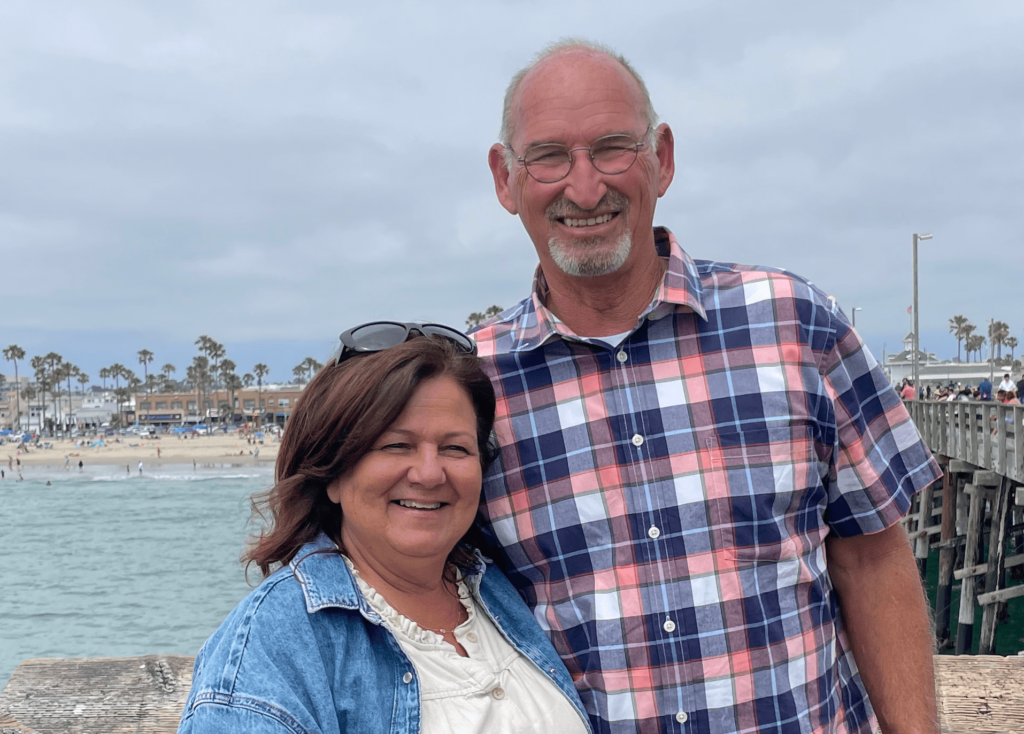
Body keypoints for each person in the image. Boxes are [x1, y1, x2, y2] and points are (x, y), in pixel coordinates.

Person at [476, 40, 942, 733]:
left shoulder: (795, 324)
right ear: (505, 179)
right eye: (548, 157)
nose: (583, 187)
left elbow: (874, 559)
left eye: (613, 148)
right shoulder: (473, 389)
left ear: (661, 158)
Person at [178, 324, 590, 733]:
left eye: (455, 448)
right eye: (396, 445)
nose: (430, 474)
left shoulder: (495, 591)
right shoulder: (274, 645)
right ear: (332, 473)